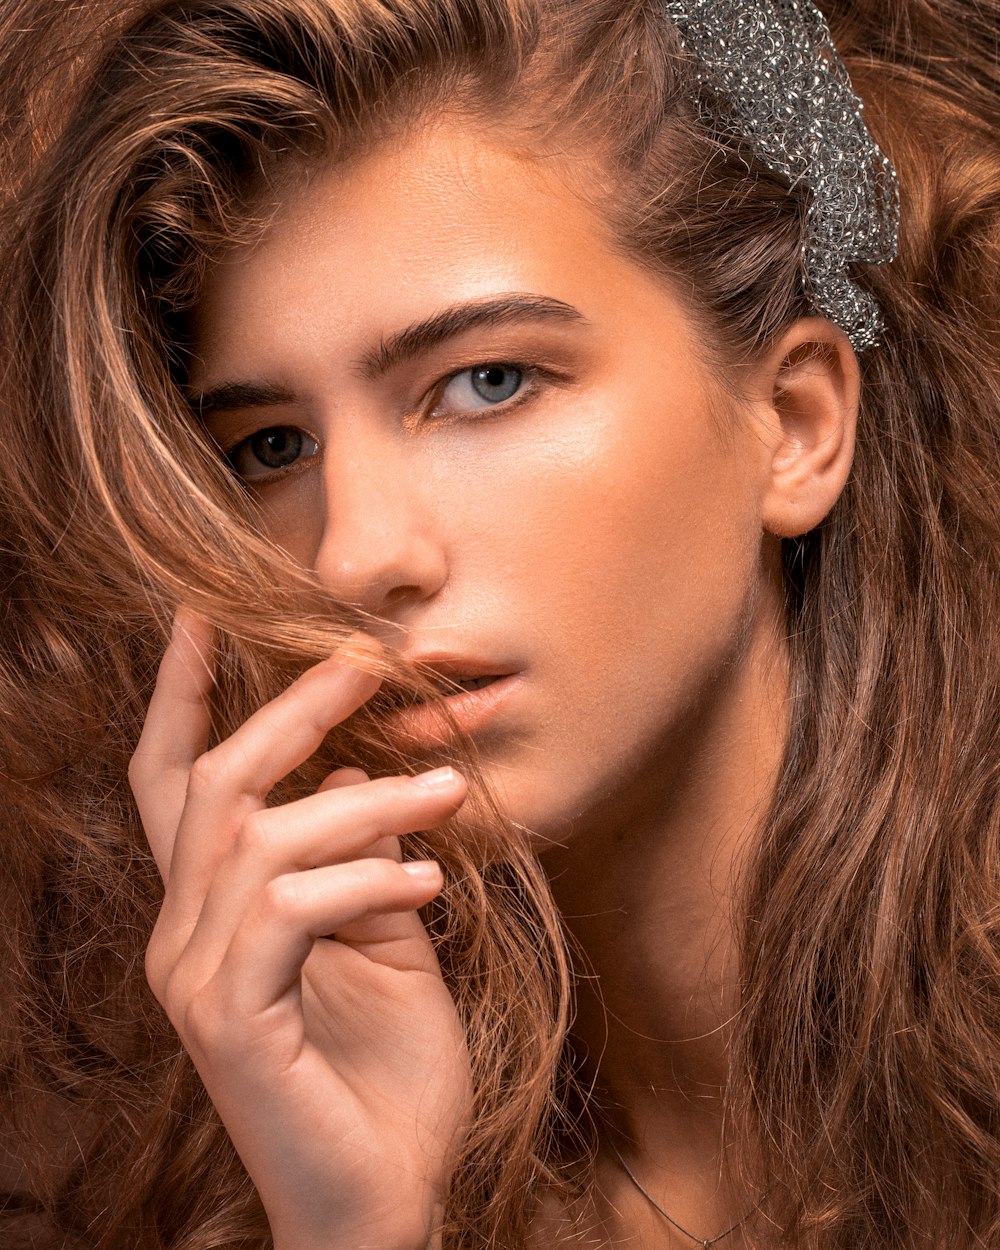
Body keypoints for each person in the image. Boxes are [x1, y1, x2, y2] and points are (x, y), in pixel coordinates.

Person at [1, 0, 999, 1246]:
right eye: (271, 446)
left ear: (792, 425)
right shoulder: (276, 1137)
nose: (353, 555)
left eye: (486, 382)